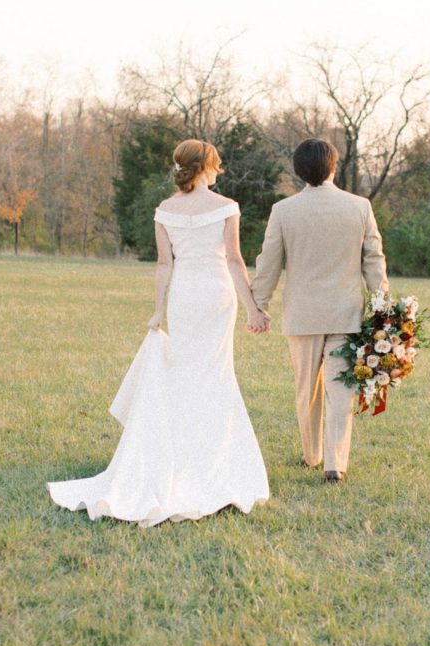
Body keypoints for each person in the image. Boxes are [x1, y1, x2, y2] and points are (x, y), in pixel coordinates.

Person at [47, 139, 270, 526]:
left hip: (184, 297)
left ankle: (185, 455)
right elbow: (234, 260)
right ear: (205, 168)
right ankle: (208, 461)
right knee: (214, 375)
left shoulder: (165, 210)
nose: (219, 170)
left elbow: (164, 265)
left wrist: (158, 310)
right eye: (216, 164)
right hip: (217, 296)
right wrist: (253, 307)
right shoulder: (226, 207)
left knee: (186, 373)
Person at [251, 138, 389, 484]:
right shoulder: (359, 206)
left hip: (302, 316)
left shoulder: (284, 211)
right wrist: (382, 304)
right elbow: (373, 259)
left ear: (299, 171)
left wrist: (259, 304)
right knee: (341, 391)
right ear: (333, 166)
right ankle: (335, 464)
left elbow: (269, 263)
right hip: (346, 313)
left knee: (306, 391)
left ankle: (312, 453)